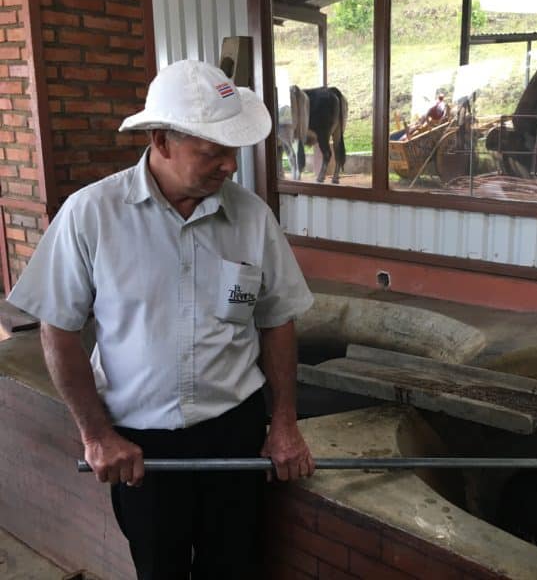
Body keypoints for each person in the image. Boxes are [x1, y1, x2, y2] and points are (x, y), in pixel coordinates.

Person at [6, 59, 315, 579]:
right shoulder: (92, 215)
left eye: (234, 151)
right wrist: (96, 435)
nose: (229, 166)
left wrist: (283, 422)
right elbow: (58, 328)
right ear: (161, 141)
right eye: (212, 152)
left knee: (236, 568)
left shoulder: (252, 217)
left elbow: (277, 319)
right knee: (159, 569)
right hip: (141, 447)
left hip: (234, 432)